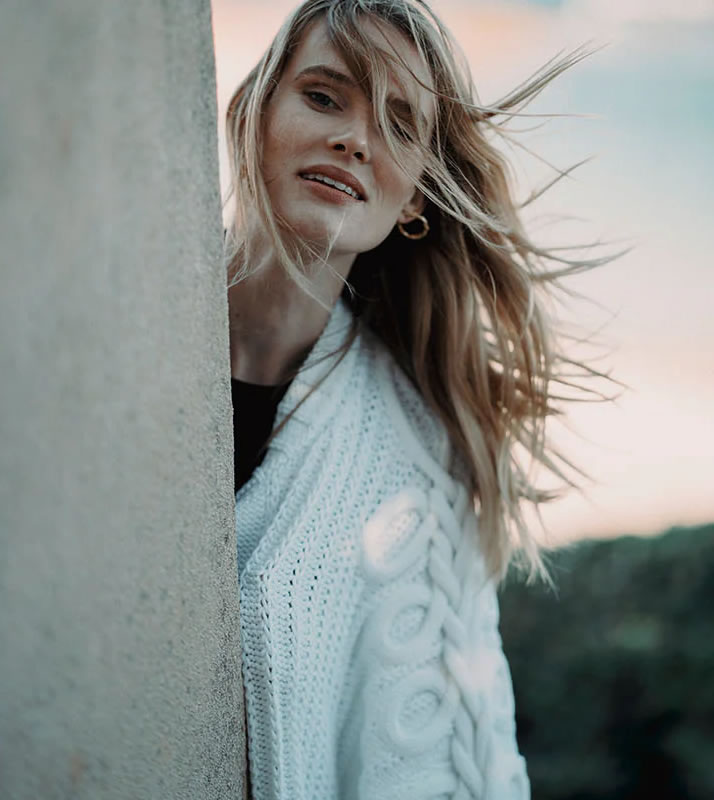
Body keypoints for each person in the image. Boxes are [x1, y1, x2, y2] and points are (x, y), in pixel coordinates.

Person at [224, 1, 612, 797]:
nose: (356, 139)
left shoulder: (419, 458)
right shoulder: (111, 330)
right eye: (326, 96)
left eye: (399, 125)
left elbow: (460, 760)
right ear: (254, 114)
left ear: (414, 201)